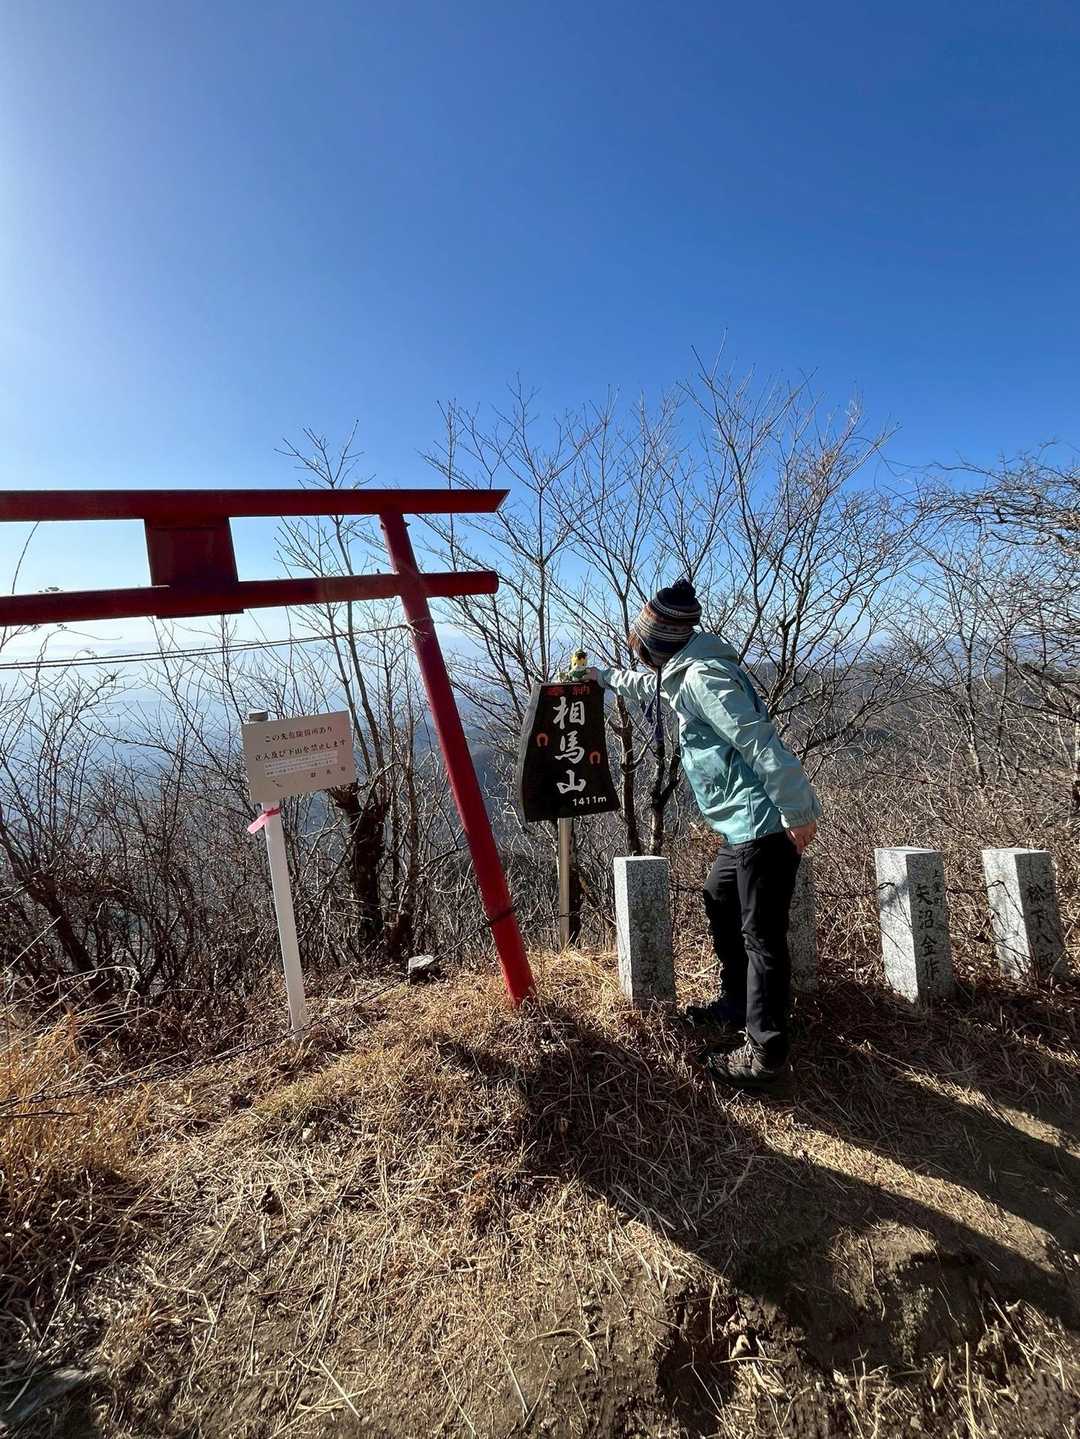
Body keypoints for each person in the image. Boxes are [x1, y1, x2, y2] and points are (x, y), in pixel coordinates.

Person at [593, 579, 821, 1087]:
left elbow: (758, 741)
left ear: (656, 643)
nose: (639, 650)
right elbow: (650, 686)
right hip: (741, 823)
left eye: (640, 642)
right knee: (719, 897)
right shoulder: (684, 669)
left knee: (762, 935)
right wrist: (602, 677)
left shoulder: (703, 677)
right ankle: (738, 1003)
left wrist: (796, 810)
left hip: (764, 822)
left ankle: (766, 1053)